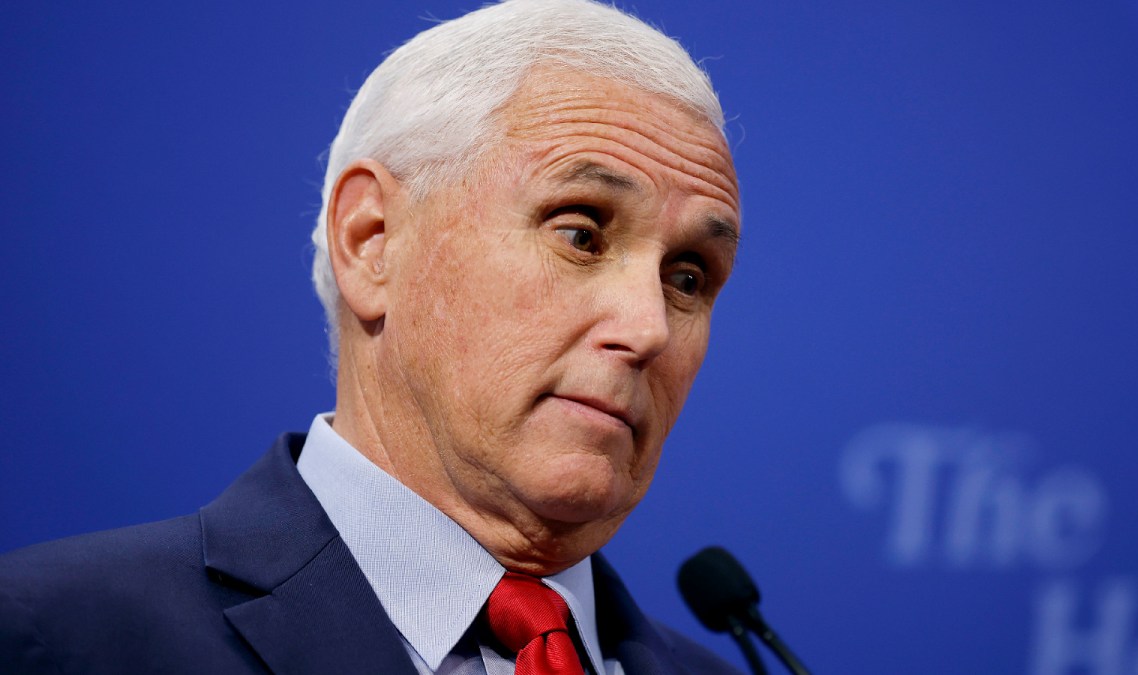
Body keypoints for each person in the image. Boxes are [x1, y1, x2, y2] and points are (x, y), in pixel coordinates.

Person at [0, 0, 742, 672]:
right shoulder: (56, 635)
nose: (647, 329)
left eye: (687, 278)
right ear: (372, 241)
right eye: (581, 234)